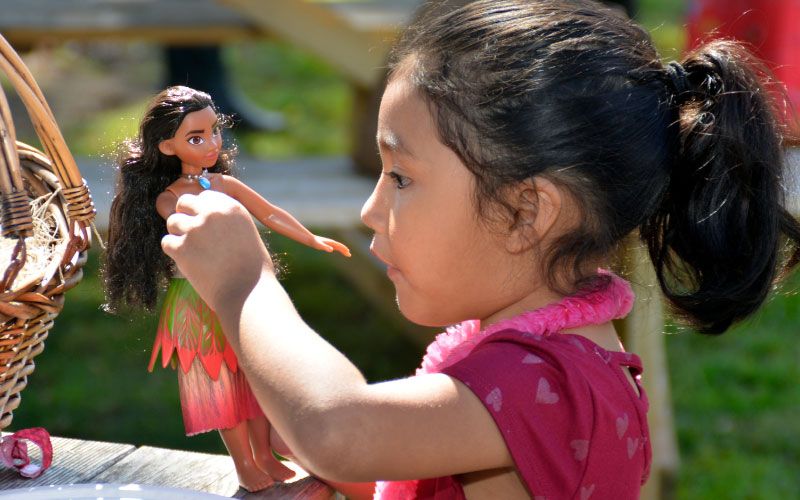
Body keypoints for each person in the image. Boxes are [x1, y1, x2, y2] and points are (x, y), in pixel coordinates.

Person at [160, 0, 800, 498]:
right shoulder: (546, 363)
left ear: (527, 211)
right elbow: (376, 461)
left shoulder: (541, 383)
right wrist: (301, 434)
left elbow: (343, 430)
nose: (369, 210)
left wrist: (246, 282)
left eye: (401, 177)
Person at [101, 86, 350, 492]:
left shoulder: (222, 184)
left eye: (214, 131)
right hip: (198, 300)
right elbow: (187, 222)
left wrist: (312, 239)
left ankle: (265, 453)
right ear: (167, 146)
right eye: (196, 138)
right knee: (219, 385)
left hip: (240, 291)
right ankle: (244, 465)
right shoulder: (171, 198)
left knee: (255, 373)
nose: (212, 143)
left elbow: (269, 211)